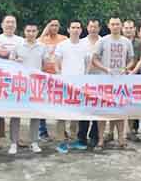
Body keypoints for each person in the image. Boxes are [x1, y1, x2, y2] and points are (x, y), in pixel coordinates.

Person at [92, 16, 134, 149]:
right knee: (103, 112)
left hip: (120, 82)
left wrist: (126, 68)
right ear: (109, 26)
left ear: (121, 26)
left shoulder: (126, 42)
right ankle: (100, 139)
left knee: (119, 111)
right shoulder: (102, 41)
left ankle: (121, 139)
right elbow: (94, 59)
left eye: (117, 24)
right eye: (113, 24)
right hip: (104, 81)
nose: (115, 26)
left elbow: (132, 59)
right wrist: (105, 69)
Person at [54, 20, 90, 153]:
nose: (75, 30)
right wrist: (59, 75)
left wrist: (85, 76)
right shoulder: (62, 45)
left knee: (76, 113)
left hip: (79, 85)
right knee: (62, 114)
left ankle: (74, 139)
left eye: (78, 27)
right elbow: (56, 62)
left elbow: (88, 62)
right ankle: (61, 141)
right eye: (73, 27)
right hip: (64, 84)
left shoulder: (85, 45)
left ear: (81, 30)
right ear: (68, 30)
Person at [9, 23, 44, 155]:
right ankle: (14, 142)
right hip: (19, 84)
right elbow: (10, 63)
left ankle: (34, 142)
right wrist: (15, 62)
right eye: (28, 31)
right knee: (16, 114)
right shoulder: (18, 46)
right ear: (24, 32)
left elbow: (46, 65)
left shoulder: (42, 47)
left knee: (35, 114)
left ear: (37, 32)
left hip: (36, 85)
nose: (31, 33)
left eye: (33, 31)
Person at [0, 15, 24, 148]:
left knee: (16, 110)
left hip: (16, 78)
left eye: (12, 22)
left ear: (16, 25)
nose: (10, 24)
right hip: (0, 78)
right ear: (2, 24)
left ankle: (15, 137)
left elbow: (23, 57)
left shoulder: (21, 40)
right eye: (7, 22)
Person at [37, 18, 67, 141]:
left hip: (59, 76)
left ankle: (61, 130)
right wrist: (44, 32)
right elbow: (36, 43)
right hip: (44, 76)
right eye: (51, 25)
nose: (54, 28)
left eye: (56, 25)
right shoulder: (42, 40)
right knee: (42, 104)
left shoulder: (64, 39)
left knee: (61, 104)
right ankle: (42, 131)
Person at [78, 18, 101, 148]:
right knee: (84, 110)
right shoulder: (81, 42)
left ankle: (94, 136)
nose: (93, 29)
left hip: (99, 80)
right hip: (84, 81)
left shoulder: (103, 41)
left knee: (97, 110)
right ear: (87, 28)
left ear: (99, 28)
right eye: (91, 26)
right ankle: (82, 136)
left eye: (95, 27)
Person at [123, 19, 141, 140]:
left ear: (134, 29)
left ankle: (131, 130)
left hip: (135, 76)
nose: (128, 30)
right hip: (119, 76)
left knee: (133, 104)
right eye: (126, 28)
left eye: (131, 28)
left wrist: (133, 71)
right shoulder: (119, 41)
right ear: (122, 29)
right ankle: (111, 132)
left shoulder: (139, 43)